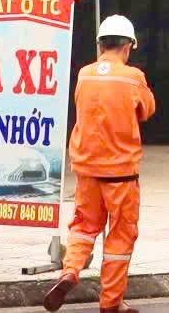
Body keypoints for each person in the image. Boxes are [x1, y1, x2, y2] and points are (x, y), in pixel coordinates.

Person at [44, 15, 155, 313]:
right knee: (119, 237)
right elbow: (147, 109)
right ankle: (111, 303)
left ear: (100, 44)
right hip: (120, 174)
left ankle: (70, 271)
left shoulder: (84, 74)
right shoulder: (133, 77)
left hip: (87, 170)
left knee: (83, 226)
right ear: (129, 46)